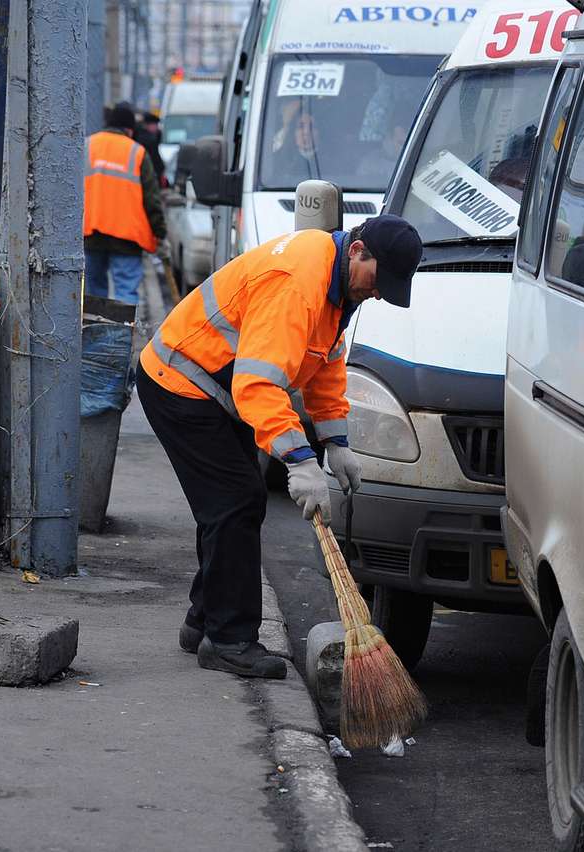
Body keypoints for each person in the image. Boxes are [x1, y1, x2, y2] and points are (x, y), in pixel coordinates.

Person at [136, 215, 422, 679]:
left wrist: (336, 441)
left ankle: (203, 621)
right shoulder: (296, 283)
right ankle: (228, 641)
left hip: (211, 391)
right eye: (378, 281)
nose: (378, 293)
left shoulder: (335, 282)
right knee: (235, 502)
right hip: (180, 385)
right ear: (357, 251)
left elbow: (325, 362)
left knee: (231, 503)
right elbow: (258, 384)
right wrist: (299, 460)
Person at [83, 101, 168, 304]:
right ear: (129, 130)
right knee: (125, 293)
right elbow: (152, 199)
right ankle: (120, 336)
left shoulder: (87, 145)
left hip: (90, 233)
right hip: (127, 237)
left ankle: (96, 335)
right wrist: (160, 233)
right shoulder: (136, 152)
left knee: (94, 292)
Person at [268, 110, 321, 187]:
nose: (306, 132)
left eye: (312, 126)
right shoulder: (277, 161)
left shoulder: (335, 161)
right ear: (293, 132)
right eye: (301, 127)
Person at [135, 110, 167, 188]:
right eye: (155, 125)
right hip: (150, 176)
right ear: (148, 125)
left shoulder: (136, 136)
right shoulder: (150, 140)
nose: (157, 128)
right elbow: (156, 160)